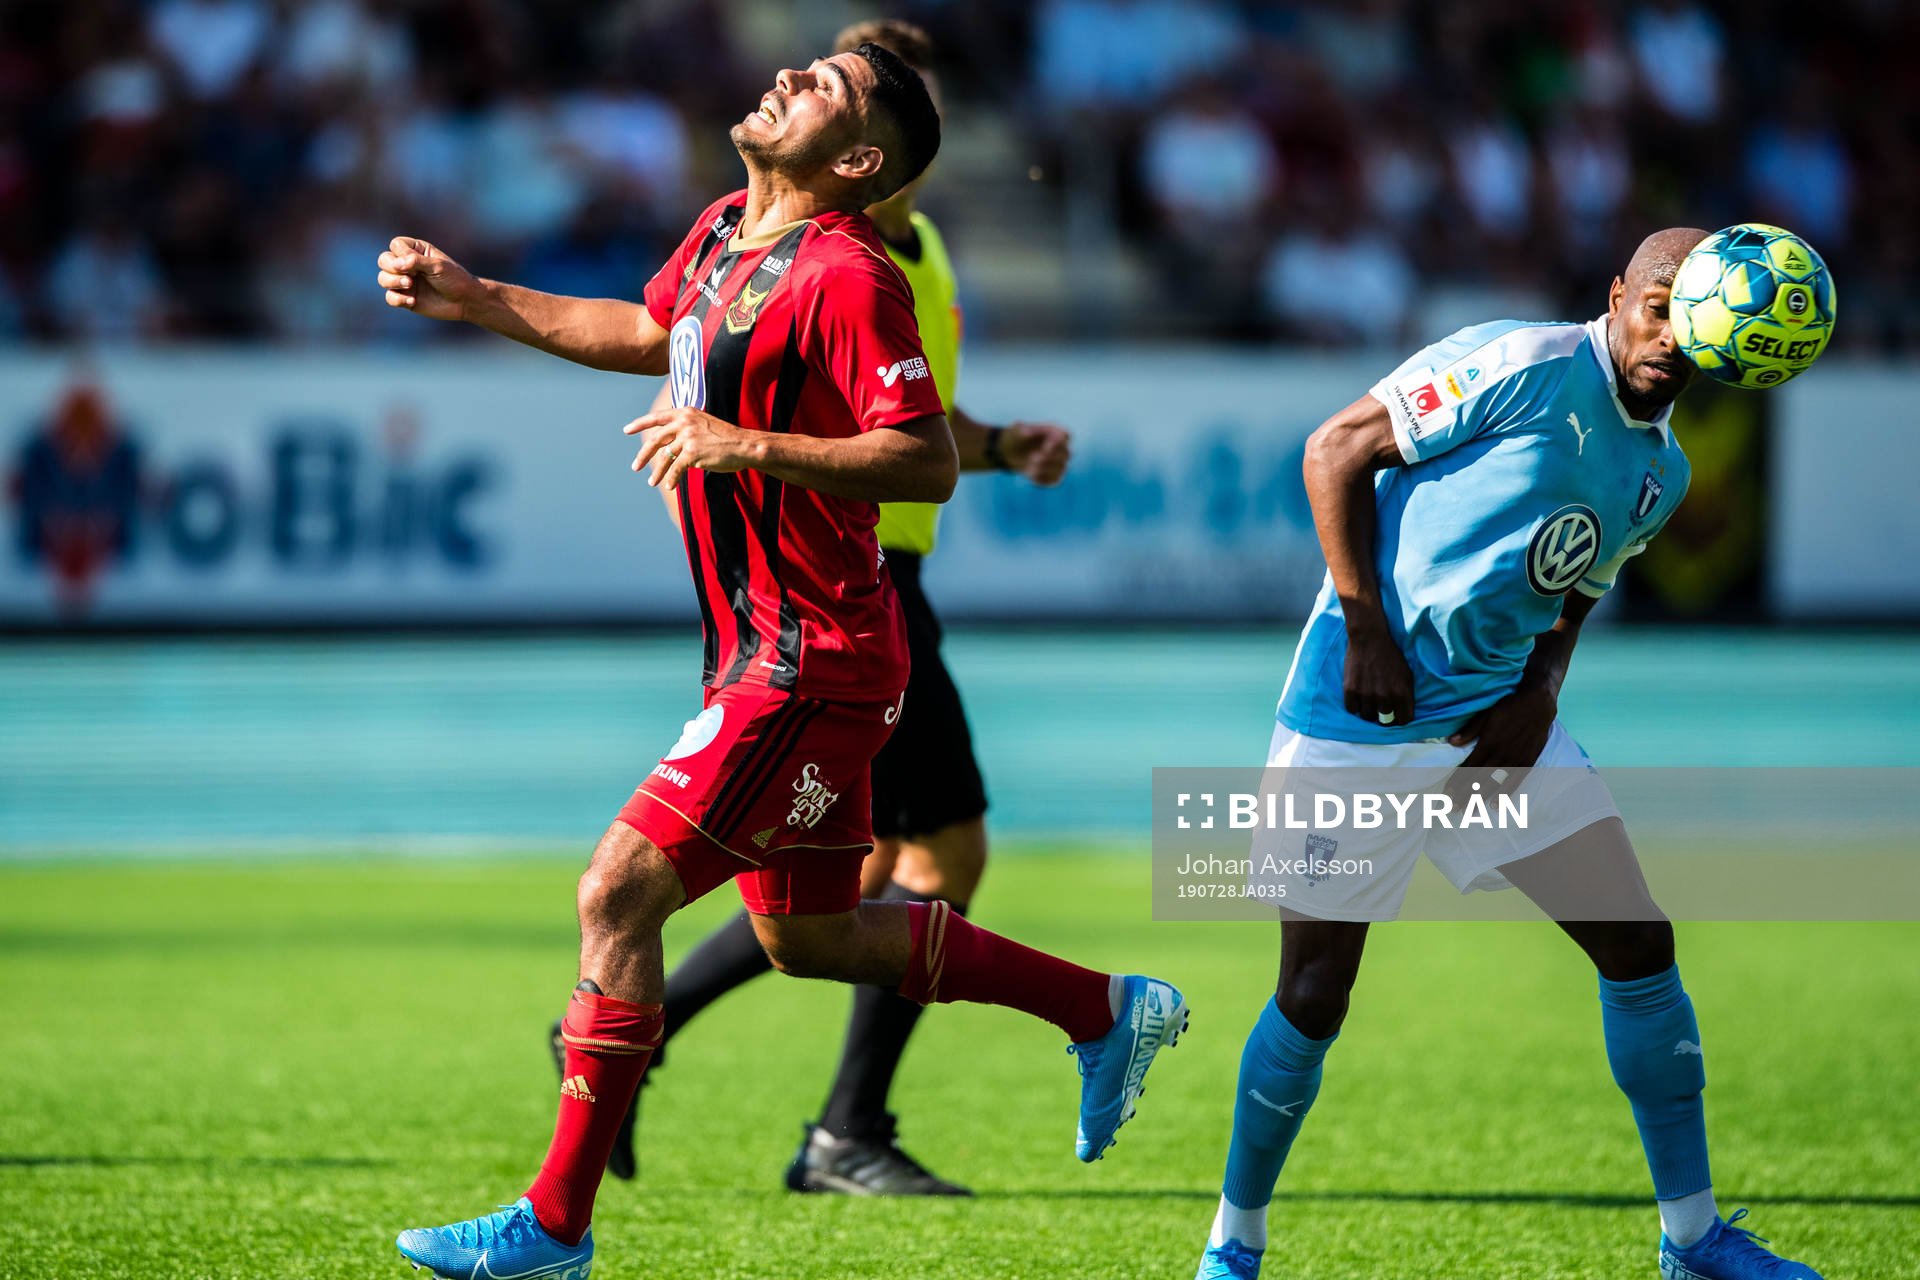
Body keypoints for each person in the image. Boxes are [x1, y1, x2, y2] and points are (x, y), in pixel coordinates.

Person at [374, 43, 1185, 1280]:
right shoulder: (717, 233)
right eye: (810, 66)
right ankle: (1104, 1007)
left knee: (616, 892)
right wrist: (477, 295)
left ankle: (554, 1226)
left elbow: (919, 457)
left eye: (828, 88)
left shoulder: (855, 275)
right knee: (808, 936)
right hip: (767, 649)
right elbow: (644, 328)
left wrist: (739, 440)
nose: (793, 78)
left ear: (855, 161)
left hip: (811, 656)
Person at [1192, 228, 1823, 1280]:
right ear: (1616, 294)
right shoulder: (1523, 364)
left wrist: (1539, 693)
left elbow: (1574, 591)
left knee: (1639, 944)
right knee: (1312, 996)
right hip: (1361, 716)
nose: (1667, 332)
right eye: (1654, 304)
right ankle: (1232, 1244)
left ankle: (1694, 1236)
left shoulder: (1661, 473)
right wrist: (1366, 630)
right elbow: (1335, 449)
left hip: (1497, 730)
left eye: (1689, 314)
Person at [557, 16, 1074, 1200]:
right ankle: (845, 1120)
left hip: (880, 590)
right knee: (914, 863)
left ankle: (785, 1090)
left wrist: (1001, 442)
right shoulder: (813, 256)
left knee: (857, 882)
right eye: (885, 98)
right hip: (847, 601)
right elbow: (892, 439)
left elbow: (911, 424)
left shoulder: (904, 259)